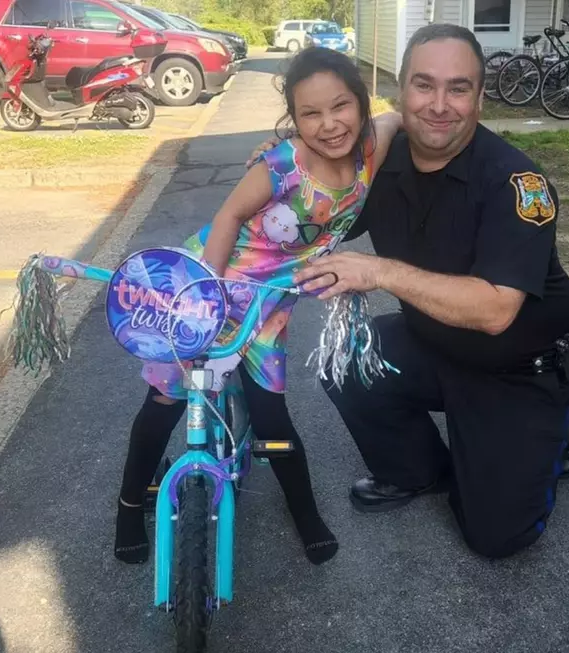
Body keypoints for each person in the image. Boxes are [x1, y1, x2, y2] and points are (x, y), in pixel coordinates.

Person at [290, 24, 569, 559]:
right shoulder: (381, 160)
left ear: (481, 97)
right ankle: (417, 471)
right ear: (400, 91)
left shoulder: (517, 183)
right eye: (423, 85)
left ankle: (565, 419)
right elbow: (310, 205)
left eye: (458, 88)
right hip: (433, 341)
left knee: (497, 538)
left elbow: (496, 311)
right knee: (343, 358)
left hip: (519, 370)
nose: (438, 105)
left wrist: (379, 272)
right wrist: (276, 175)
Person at [112, 46, 403, 566]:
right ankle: (130, 505)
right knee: (166, 403)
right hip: (208, 282)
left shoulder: (370, 149)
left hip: (268, 306)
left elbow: (395, 115)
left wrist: (399, 113)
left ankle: (304, 510)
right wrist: (208, 296)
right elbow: (226, 219)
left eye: (341, 107)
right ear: (293, 118)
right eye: (310, 113)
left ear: (359, 104)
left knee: (272, 417)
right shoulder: (280, 166)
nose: (329, 124)